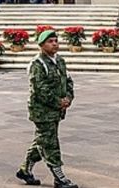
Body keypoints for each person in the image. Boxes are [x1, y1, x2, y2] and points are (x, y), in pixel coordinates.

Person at [15, 30, 77, 188]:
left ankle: (25, 170)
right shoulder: (37, 64)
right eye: (50, 41)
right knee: (50, 144)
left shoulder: (60, 61)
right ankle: (59, 177)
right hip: (42, 111)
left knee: (42, 140)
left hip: (56, 110)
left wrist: (68, 98)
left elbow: (68, 80)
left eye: (56, 40)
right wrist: (58, 102)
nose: (55, 44)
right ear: (41, 45)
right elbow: (40, 90)